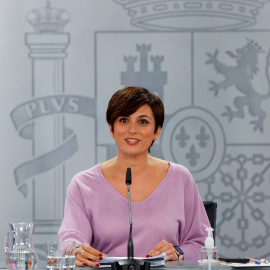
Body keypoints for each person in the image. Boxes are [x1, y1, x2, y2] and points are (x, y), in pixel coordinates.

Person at [58, 86, 210, 267]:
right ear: (111, 128)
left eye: (143, 122)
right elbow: (70, 239)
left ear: (157, 131)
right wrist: (76, 251)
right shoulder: (83, 184)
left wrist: (178, 252)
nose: (132, 130)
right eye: (124, 120)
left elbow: (202, 245)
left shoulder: (180, 178)